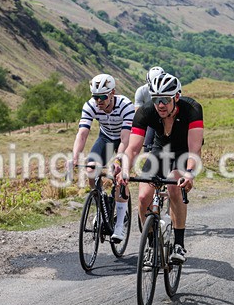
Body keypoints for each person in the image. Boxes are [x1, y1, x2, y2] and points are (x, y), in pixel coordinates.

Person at [116, 72, 204, 264]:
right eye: (156, 99)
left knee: (174, 186)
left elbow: (194, 149)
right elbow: (133, 148)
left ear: (176, 97)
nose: (160, 104)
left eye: (165, 99)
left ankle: (179, 244)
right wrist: (125, 170)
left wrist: (189, 174)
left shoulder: (192, 109)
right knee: (143, 197)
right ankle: (150, 244)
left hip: (184, 150)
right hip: (160, 150)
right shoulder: (146, 111)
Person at [70, 73, 135, 242]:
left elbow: (125, 139)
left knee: (121, 177)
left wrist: (118, 159)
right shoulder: (90, 105)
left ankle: (119, 225)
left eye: (103, 97)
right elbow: (82, 134)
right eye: (95, 97)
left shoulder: (126, 105)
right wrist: (75, 157)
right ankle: (101, 206)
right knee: (91, 169)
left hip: (123, 140)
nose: (99, 101)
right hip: (105, 138)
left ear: (112, 93)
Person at [134, 66, 163, 152]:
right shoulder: (141, 91)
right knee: (147, 148)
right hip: (151, 119)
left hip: (166, 118)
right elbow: (138, 113)